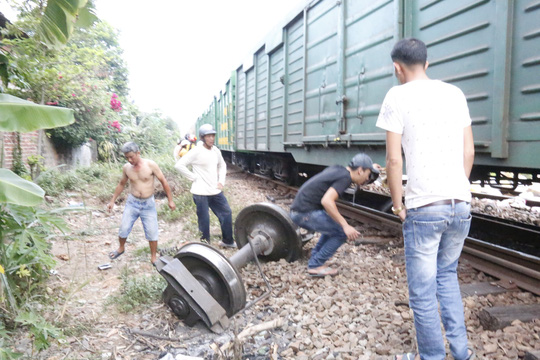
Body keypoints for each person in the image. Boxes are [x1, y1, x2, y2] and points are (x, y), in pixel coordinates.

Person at [376, 38, 475, 360]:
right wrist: (458, 189)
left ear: (397, 68)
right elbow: (468, 151)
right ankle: (462, 353)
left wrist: (398, 203)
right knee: (447, 276)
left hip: (424, 207)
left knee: (421, 293)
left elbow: (393, 161)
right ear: (427, 64)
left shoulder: (396, 95)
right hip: (460, 204)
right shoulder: (455, 94)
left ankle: (431, 357)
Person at [289, 153, 380, 277]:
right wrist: (345, 225)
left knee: (333, 228)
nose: (367, 179)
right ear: (360, 171)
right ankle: (315, 265)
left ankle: (315, 257)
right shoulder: (345, 178)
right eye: (368, 175)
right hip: (305, 213)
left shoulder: (339, 170)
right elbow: (326, 201)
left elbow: (325, 201)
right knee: (341, 232)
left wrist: (371, 167)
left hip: (300, 210)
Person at [108, 142, 176, 264]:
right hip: (132, 203)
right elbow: (121, 184)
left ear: (138, 153)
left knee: (152, 231)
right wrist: (112, 200)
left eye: (131, 157)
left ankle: (153, 257)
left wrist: (170, 200)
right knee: (124, 228)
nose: (129, 160)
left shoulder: (151, 165)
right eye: (126, 157)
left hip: (148, 204)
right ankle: (121, 248)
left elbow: (163, 182)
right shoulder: (126, 168)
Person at [175, 124, 236, 248]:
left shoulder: (215, 150)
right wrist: (193, 177)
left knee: (226, 213)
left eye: (213, 135)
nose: (211, 138)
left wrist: (221, 181)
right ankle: (206, 246)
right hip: (200, 193)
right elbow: (179, 165)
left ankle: (228, 241)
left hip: (215, 191)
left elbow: (222, 165)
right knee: (204, 221)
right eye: (208, 136)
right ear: (202, 137)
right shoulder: (196, 151)